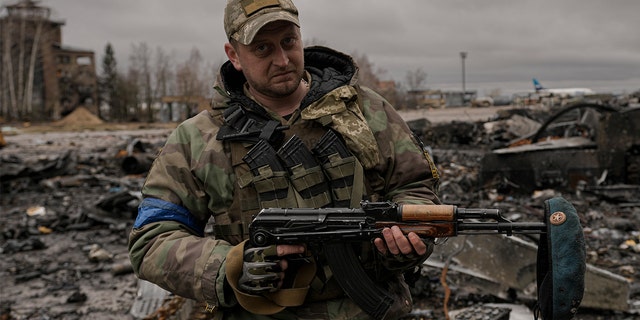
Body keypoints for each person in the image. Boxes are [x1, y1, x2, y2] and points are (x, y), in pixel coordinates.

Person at [128, 0, 441, 319]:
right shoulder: (197, 139)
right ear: (234, 55)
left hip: (370, 307)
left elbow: (415, 186)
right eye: (262, 48)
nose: (282, 60)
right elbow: (152, 240)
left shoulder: (368, 111)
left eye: (289, 42)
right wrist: (231, 265)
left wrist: (408, 235)